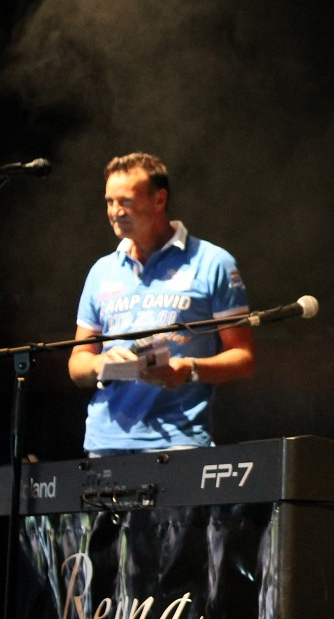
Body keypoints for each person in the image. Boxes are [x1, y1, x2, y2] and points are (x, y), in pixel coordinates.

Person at [68, 152, 255, 456]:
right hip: (105, 443)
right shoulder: (102, 271)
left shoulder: (212, 262)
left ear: (159, 200)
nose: (115, 211)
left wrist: (188, 368)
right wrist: (101, 364)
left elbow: (243, 358)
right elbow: (77, 365)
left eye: (125, 201)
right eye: (109, 202)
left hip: (178, 440)